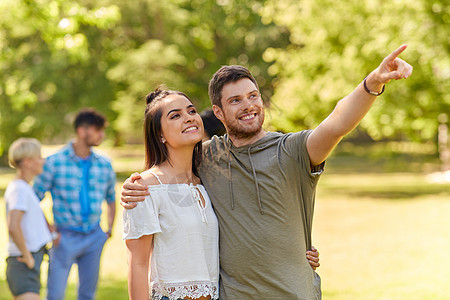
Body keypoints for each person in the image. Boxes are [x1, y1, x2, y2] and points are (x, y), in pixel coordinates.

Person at [122, 45, 412, 299]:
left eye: (253, 96)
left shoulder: (293, 150)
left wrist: (372, 83)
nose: (248, 106)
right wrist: (135, 184)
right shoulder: (207, 157)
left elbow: (337, 122)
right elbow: (167, 170)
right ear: (218, 112)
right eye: (235, 100)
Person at [123, 87, 220, 300]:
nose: (188, 118)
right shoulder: (145, 187)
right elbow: (137, 263)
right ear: (160, 135)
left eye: (191, 111)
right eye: (175, 115)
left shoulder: (208, 181)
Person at [33, 108, 116, 300]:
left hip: (94, 237)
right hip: (64, 238)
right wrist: (52, 231)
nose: (102, 135)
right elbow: (33, 199)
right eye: (97, 129)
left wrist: (109, 229)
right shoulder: (54, 162)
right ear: (81, 131)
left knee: (87, 295)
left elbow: (111, 198)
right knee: (55, 295)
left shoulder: (105, 163)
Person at [5, 138, 56, 300]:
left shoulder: (24, 187)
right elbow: (13, 226)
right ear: (27, 162)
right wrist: (27, 257)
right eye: (39, 157)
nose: (43, 161)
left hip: (29, 262)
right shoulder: (19, 189)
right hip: (23, 263)